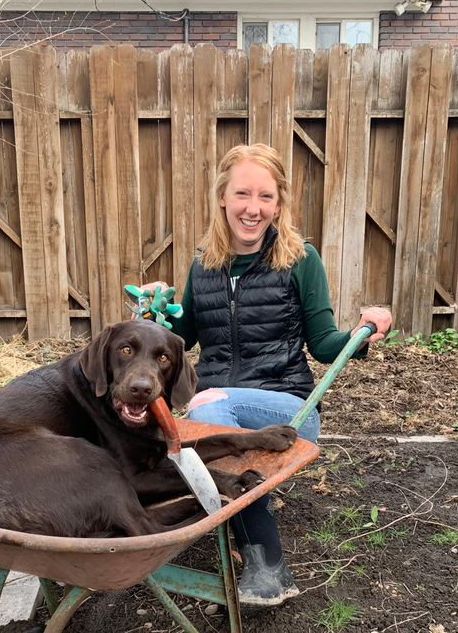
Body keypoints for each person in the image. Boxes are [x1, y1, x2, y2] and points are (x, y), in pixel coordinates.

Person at [142, 143, 391, 607]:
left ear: (279, 203)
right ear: (222, 197)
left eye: (265, 197)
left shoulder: (300, 260)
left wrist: (361, 333)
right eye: (242, 194)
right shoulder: (205, 265)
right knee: (191, 414)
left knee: (207, 405)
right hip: (217, 410)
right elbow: (184, 339)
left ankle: (269, 568)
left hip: (286, 409)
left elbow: (323, 343)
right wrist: (155, 315)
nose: (253, 208)